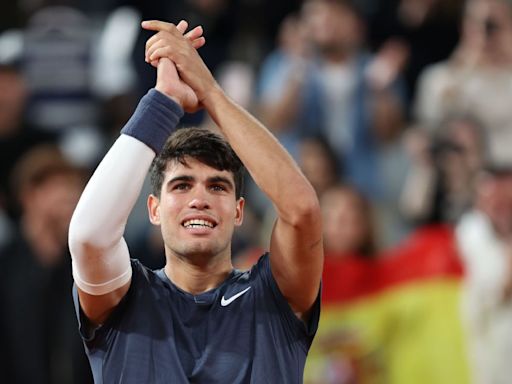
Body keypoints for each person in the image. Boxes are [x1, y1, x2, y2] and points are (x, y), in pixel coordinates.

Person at [68, 19, 323, 383]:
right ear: (153, 209)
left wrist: (210, 91)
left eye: (218, 187)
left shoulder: (275, 297)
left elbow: (301, 211)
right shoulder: (124, 299)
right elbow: (88, 236)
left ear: (239, 211)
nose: (200, 198)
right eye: (182, 185)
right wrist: (163, 103)